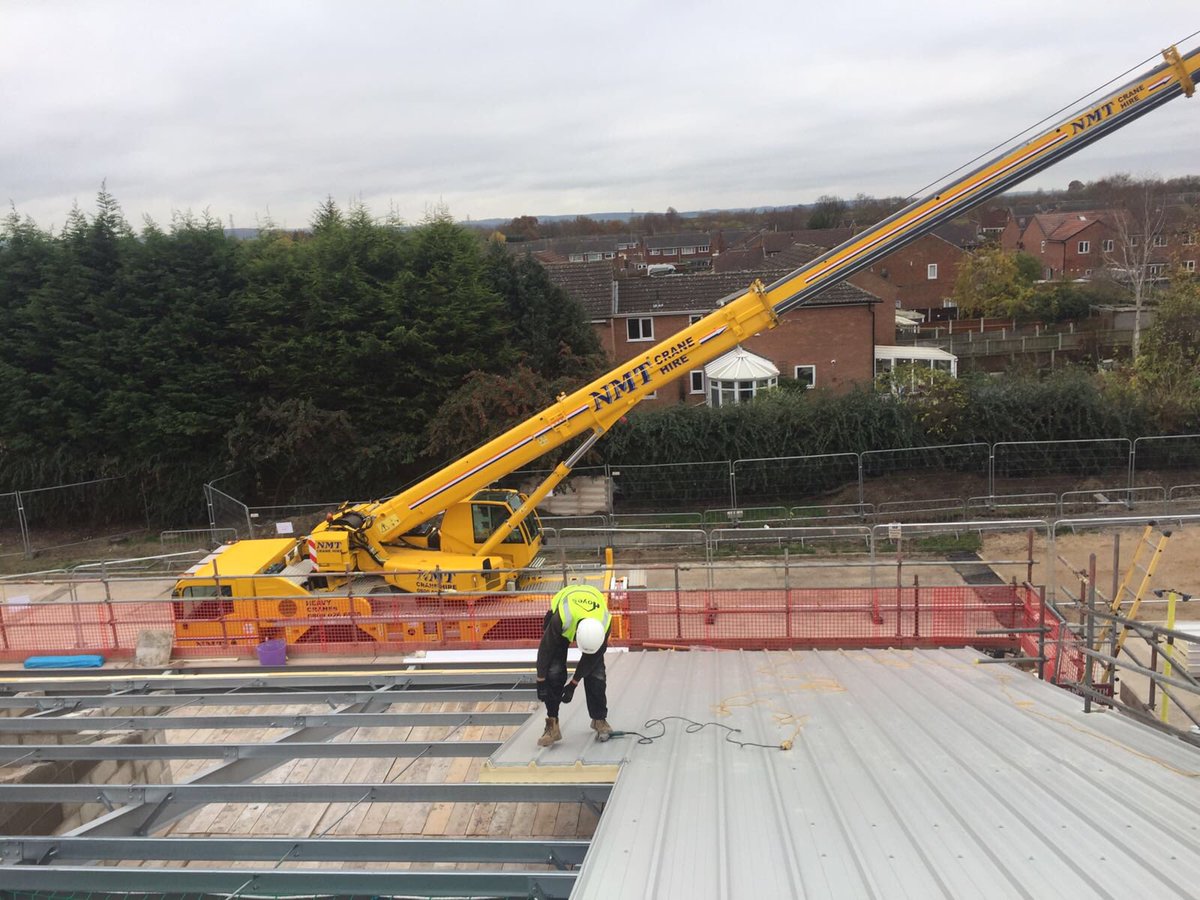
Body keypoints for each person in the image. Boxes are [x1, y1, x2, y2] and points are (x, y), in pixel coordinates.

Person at [535, 583, 612, 747]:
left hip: (589, 602)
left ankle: (599, 719)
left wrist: (573, 684)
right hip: (564, 614)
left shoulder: (604, 624)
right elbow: (545, 649)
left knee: (597, 674)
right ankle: (552, 725)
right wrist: (541, 680)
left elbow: (590, 660)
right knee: (554, 671)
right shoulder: (562, 618)